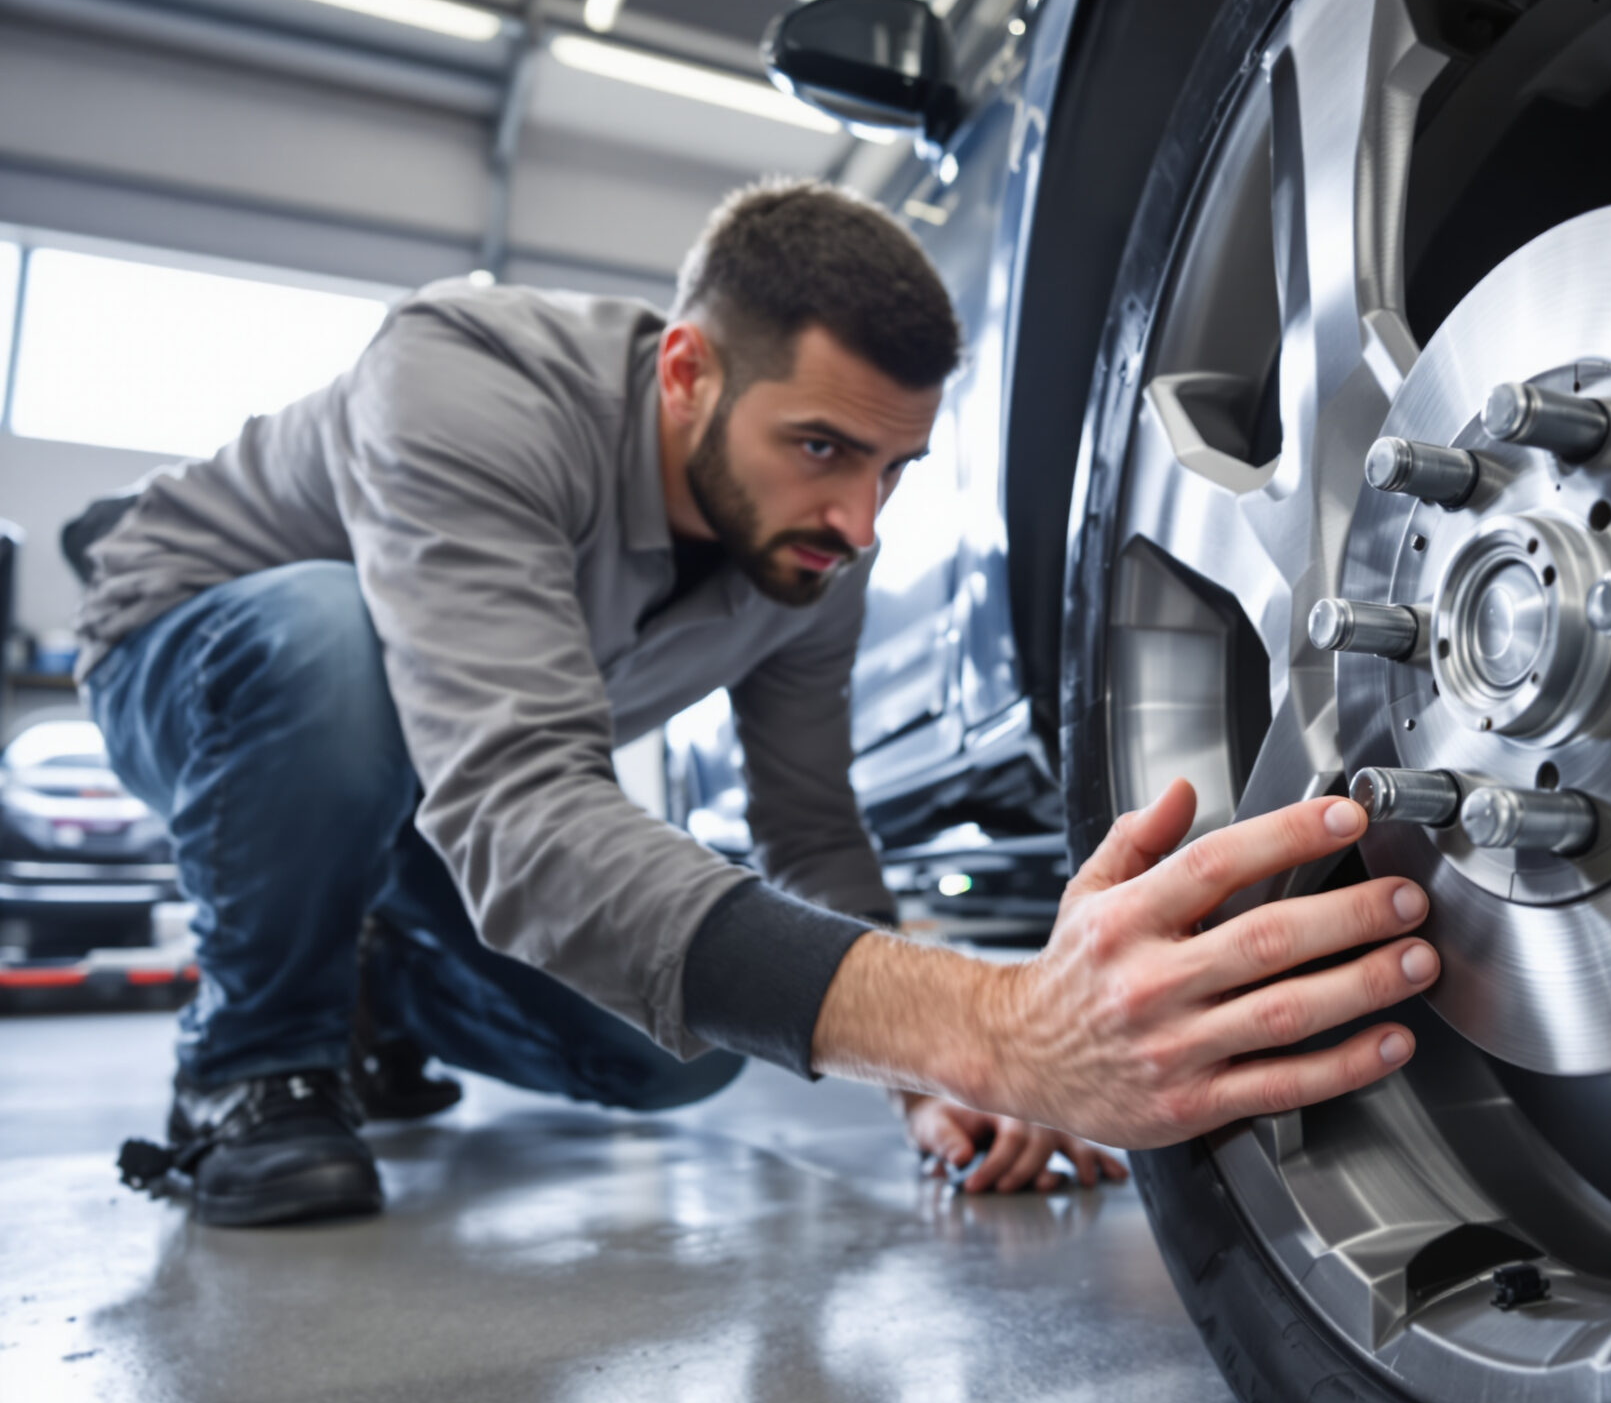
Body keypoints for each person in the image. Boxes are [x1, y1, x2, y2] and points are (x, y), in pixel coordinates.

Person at [76, 179, 1440, 1227]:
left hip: (419, 791)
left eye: (895, 468)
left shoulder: (817, 548)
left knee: (687, 1052)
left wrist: (939, 1080)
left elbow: (808, 825)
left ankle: (367, 973)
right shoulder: (466, 381)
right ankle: (251, 1058)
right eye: (821, 446)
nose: (858, 517)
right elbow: (520, 809)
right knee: (331, 636)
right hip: (197, 666)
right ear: (685, 372)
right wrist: (1002, 1027)